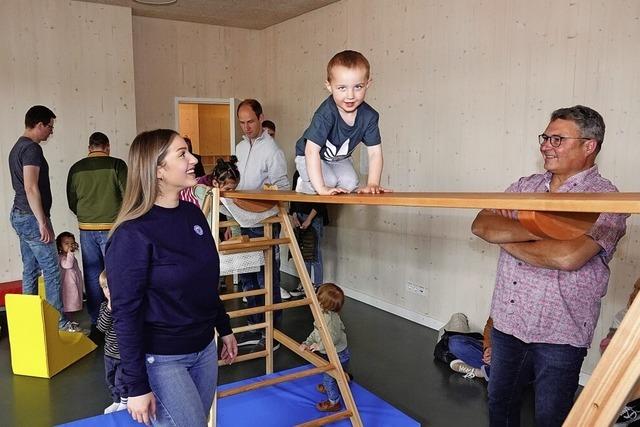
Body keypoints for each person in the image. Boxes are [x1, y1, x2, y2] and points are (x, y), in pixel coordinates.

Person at [471, 105, 628, 426]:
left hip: (561, 334)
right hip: (508, 323)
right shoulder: (524, 186)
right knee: (499, 407)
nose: (545, 145)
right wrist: (553, 231)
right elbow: (482, 225)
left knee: (551, 418)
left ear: (589, 145)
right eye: (545, 137)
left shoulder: (607, 197)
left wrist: (509, 236)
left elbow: (569, 257)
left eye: (557, 139)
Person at [104, 129, 237, 426]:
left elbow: (205, 281)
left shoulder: (193, 214)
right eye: (182, 154)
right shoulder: (131, 234)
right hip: (162, 360)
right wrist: (136, 385)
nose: (193, 159)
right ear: (158, 170)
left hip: (204, 349)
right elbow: (125, 314)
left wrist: (224, 328)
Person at [9, 105, 78, 331]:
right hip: (30, 217)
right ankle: (60, 323)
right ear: (39, 125)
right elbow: (30, 187)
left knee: (29, 268)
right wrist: (42, 221)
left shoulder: (16, 147)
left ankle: (30, 322)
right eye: (49, 126)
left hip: (19, 215)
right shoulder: (31, 150)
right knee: (51, 269)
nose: (51, 131)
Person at [294, 50, 389, 195]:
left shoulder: (369, 116)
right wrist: (321, 188)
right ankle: (303, 185)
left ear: (368, 84)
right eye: (342, 88)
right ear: (329, 86)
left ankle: (324, 182)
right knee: (328, 182)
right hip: (309, 156)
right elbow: (311, 150)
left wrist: (373, 183)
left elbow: (375, 153)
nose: (350, 96)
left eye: (358, 87)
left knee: (350, 185)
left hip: (338, 159)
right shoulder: (325, 114)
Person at [235, 99, 289, 350]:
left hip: (265, 221)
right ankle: (255, 327)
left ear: (260, 118)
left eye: (251, 122)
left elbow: (283, 188)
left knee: (267, 278)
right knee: (247, 277)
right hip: (242, 219)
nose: (246, 127)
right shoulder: (239, 148)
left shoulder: (272, 151)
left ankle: (272, 333)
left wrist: (266, 194)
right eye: (242, 123)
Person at [66, 131, 127, 334]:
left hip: (86, 229)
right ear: (107, 146)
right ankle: (120, 316)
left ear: (89, 148)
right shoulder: (117, 165)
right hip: (113, 228)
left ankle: (97, 321)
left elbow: (72, 200)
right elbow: (127, 195)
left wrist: (85, 216)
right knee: (116, 272)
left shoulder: (76, 168)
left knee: (93, 275)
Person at [300, 283, 350, 412]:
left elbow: (334, 338)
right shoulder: (321, 314)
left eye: (318, 297)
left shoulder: (331, 321)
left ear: (322, 303)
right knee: (332, 376)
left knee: (328, 379)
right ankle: (341, 378)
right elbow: (316, 331)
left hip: (339, 355)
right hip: (332, 353)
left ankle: (334, 402)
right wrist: (307, 342)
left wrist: (319, 345)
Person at [289, 170, 329, 297]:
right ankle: (305, 285)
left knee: (315, 253)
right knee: (303, 252)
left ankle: (318, 287)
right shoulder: (297, 172)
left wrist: (309, 219)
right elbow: (293, 194)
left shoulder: (319, 171)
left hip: (314, 217)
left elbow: (321, 200)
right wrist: (294, 216)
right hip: (299, 215)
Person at [96, 271, 128, 414]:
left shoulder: (125, 306)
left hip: (123, 354)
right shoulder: (104, 307)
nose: (108, 291)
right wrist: (109, 308)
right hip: (109, 354)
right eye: (105, 288)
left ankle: (124, 401)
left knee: (122, 380)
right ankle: (116, 400)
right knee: (111, 380)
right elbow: (101, 327)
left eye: (111, 287)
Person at [56, 232, 84, 319]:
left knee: (73, 303)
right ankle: (68, 322)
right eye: (66, 243)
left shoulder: (70, 256)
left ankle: (71, 321)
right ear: (60, 246)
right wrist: (71, 252)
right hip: (68, 286)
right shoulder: (61, 257)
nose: (70, 246)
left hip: (74, 283)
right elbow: (68, 265)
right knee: (68, 305)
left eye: (72, 243)